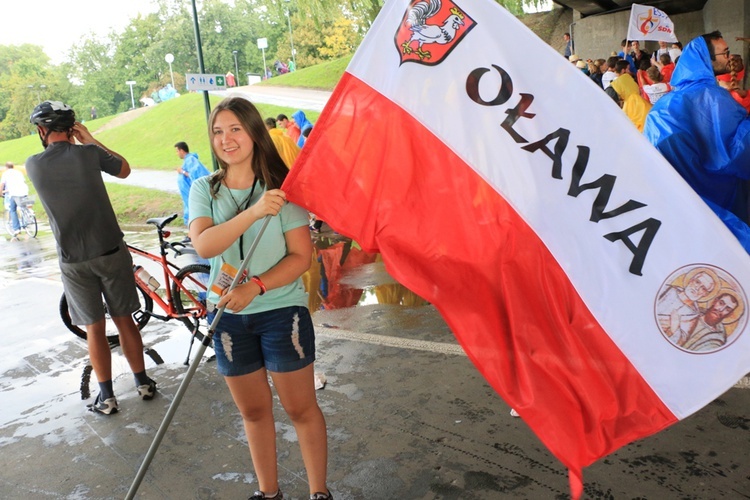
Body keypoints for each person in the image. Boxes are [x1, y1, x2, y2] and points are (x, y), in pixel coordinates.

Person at [188, 97, 332, 500]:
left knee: (301, 409)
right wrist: (252, 212)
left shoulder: (281, 189)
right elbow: (204, 245)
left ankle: (319, 492)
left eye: (235, 129)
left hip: (280, 313)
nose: (226, 139)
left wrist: (257, 286)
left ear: (253, 131)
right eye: (218, 131)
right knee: (253, 412)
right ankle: (269, 493)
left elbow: (301, 257)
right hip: (228, 318)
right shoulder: (205, 188)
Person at [25, 100, 156, 415]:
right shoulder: (89, 154)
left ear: (42, 131)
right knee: (125, 320)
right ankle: (143, 383)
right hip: (111, 250)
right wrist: (90, 139)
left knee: (94, 329)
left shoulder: (33, 164)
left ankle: (107, 398)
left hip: (73, 260)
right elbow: (123, 169)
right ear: (72, 129)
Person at [644, 31, 750, 252]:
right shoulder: (712, 97)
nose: (729, 57)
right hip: (723, 200)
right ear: (706, 59)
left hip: (686, 209)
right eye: (725, 53)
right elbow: (735, 152)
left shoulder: (663, 106)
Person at [175, 141, 210, 228]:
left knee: (194, 213)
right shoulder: (188, 160)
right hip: (188, 195)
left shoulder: (191, 160)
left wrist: (182, 172)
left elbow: (196, 175)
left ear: (181, 151)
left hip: (193, 194)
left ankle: (194, 233)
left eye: (177, 151)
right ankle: (192, 233)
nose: (177, 153)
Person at [610, 60, 652, 132]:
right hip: (636, 103)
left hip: (627, 106)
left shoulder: (613, 83)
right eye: (628, 69)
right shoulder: (626, 78)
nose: (630, 71)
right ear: (623, 70)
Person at [1, 161, 30, 236]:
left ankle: (17, 228)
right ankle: (27, 221)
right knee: (24, 206)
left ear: (6, 167)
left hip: (14, 193)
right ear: (13, 166)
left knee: (12, 209)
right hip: (24, 191)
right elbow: (24, 181)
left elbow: (2, 184)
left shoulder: (5, 174)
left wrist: (0, 192)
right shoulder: (18, 172)